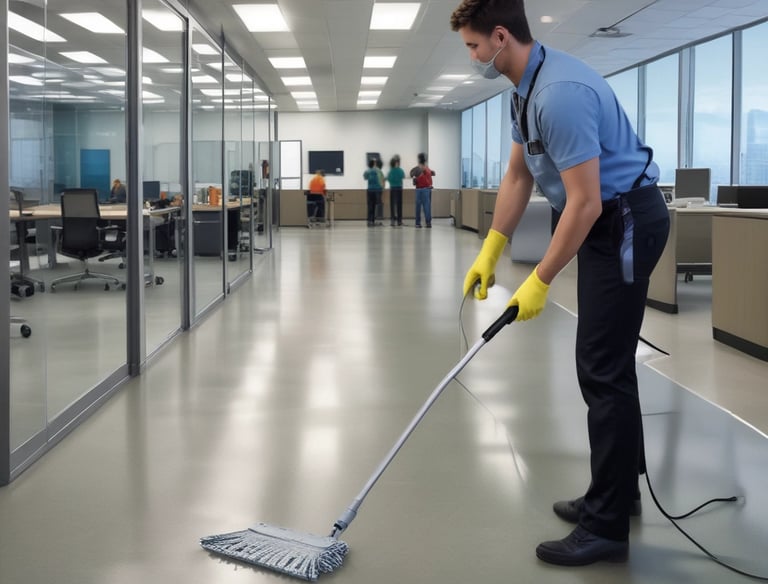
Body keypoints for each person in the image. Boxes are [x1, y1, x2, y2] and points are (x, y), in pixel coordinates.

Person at [451, 0, 670, 567]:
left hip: (623, 221)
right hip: (603, 219)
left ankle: (608, 527)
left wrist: (539, 280)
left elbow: (587, 201)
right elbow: (518, 175)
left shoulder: (558, 95)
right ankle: (617, 494)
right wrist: (491, 249)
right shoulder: (523, 90)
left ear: (500, 36)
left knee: (602, 364)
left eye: (474, 46)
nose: (472, 56)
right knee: (607, 363)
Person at [412, 152, 434, 228]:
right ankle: (428, 223)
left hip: (419, 190)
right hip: (426, 189)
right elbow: (431, 176)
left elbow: (413, 178)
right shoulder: (427, 168)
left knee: (418, 207)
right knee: (426, 206)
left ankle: (417, 223)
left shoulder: (417, 168)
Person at [363, 158, 383, 227]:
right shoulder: (378, 171)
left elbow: (365, 178)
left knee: (370, 206)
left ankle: (370, 221)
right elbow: (381, 180)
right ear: (374, 164)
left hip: (370, 190)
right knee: (377, 205)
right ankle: (376, 220)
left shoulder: (367, 171)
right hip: (377, 190)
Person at [387, 155, 405, 226]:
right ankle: (399, 221)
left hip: (392, 188)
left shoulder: (390, 171)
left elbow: (388, 179)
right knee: (399, 205)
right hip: (399, 188)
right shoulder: (401, 170)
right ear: (398, 163)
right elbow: (403, 177)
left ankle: (392, 220)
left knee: (392, 205)